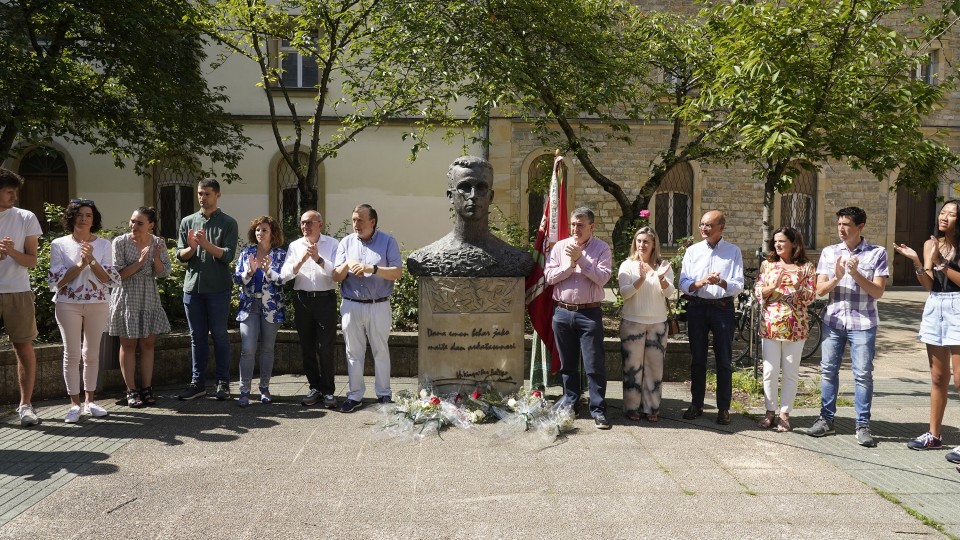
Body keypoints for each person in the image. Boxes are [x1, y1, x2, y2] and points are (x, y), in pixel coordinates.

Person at [808, 206, 888, 447]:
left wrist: (855, 275)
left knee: (863, 374)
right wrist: (838, 276)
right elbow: (819, 290)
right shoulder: (830, 252)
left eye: (847, 225)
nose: (841, 229)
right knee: (828, 370)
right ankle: (826, 419)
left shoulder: (877, 253)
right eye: (839, 224)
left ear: (860, 227)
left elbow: (878, 291)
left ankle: (862, 425)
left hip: (863, 323)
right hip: (834, 321)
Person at [894, 200, 960, 460]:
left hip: (958, 305)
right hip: (936, 305)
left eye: (951, 214)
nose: (944, 217)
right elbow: (929, 285)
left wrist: (942, 262)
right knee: (937, 378)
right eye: (942, 212)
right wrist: (917, 262)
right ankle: (934, 436)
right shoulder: (930, 244)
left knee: (959, 381)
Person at [48, 199, 120, 423]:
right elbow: (57, 281)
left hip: (97, 303)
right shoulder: (59, 244)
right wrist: (80, 264)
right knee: (72, 353)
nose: (83, 218)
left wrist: (92, 260)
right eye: (79, 214)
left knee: (91, 353)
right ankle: (74, 404)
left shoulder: (104, 245)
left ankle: (90, 401)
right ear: (72, 217)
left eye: (88, 215)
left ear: (93, 219)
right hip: (67, 303)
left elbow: (108, 279)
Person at [407, 155, 532, 277]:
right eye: (465, 187)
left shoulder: (516, 259)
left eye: (481, 188)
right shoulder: (426, 258)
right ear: (451, 196)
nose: (473, 195)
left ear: (491, 196)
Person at [544, 207, 613, 429]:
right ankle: (570, 403)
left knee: (594, 365)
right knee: (568, 364)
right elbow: (549, 277)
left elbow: (602, 278)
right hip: (562, 312)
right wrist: (570, 265)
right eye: (573, 224)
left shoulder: (602, 249)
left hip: (588, 313)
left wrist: (581, 260)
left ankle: (598, 410)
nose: (575, 229)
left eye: (581, 225)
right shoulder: (560, 248)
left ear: (591, 227)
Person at [333, 204, 403, 412]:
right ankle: (355, 396)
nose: (356, 224)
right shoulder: (345, 243)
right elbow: (336, 276)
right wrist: (347, 265)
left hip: (378, 305)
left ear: (372, 222)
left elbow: (397, 273)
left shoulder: (388, 241)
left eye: (360, 220)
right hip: (351, 304)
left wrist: (371, 269)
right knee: (353, 352)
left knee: (381, 351)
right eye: (354, 220)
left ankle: (384, 395)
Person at [678, 210, 744, 425]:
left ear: (721, 228)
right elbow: (683, 282)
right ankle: (696, 404)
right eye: (702, 224)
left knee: (723, 359)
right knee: (697, 359)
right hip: (697, 307)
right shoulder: (693, 251)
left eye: (709, 225)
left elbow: (738, 284)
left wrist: (722, 282)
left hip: (722, 308)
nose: (704, 229)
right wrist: (701, 282)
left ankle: (723, 408)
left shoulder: (733, 251)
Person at [176, 179, 238, 401]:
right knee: (196, 337)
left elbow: (228, 255)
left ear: (218, 195)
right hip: (192, 288)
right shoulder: (188, 221)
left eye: (207, 194)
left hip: (218, 288)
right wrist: (191, 248)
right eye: (200, 193)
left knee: (220, 335)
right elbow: (180, 256)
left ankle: (223, 383)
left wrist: (205, 245)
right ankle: (197, 382)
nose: (202, 197)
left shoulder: (228, 223)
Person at [754, 227, 816, 432]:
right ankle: (769, 411)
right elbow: (758, 292)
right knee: (770, 371)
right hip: (770, 324)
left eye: (782, 241)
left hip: (795, 326)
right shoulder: (768, 265)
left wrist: (798, 286)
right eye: (775, 241)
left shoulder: (806, 267)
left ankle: (785, 414)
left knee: (790, 372)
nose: (777, 245)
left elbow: (810, 298)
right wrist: (774, 286)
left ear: (793, 243)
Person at [109, 207, 171, 407]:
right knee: (128, 345)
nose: (134, 226)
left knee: (147, 344)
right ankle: (131, 390)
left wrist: (154, 259)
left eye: (139, 223)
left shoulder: (158, 243)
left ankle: (146, 388)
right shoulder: (120, 242)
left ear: (151, 225)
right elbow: (117, 275)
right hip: (126, 295)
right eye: (132, 221)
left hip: (148, 295)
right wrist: (140, 262)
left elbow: (163, 273)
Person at [280, 210, 340, 408]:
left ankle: (329, 391)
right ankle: (314, 387)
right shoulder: (295, 246)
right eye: (302, 223)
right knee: (307, 347)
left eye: (309, 223)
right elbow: (284, 275)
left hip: (325, 300)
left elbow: (336, 273)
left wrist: (318, 259)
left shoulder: (332, 244)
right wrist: (300, 262)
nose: (305, 227)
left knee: (326, 348)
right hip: (303, 300)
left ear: (320, 224)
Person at [617, 226, 675, 422]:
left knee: (654, 368)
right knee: (632, 367)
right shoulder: (627, 265)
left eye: (646, 242)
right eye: (639, 241)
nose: (641, 245)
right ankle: (632, 407)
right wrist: (641, 279)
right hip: (632, 323)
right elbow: (625, 293)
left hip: (658, 324)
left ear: (653, 245)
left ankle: (651, 408)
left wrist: (661, 278)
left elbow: (669, 293)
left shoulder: (663, 266)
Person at [0, 168, 43, 426]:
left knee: (24, 348)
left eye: (15, 191)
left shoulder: (26, 217)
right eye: (8, 191)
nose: (13, 195)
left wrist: (13, 253)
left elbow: (33, 260)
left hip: (18, 291)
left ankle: (26, 406)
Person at [233, 216, 286, 407]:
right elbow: (236, 279)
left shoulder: (280, 254)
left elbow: (282, 280)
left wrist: (269, 271)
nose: (260, 233)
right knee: (248, 349)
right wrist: (249, 272)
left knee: (267, 349)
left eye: (264, 230)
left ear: (272, 233)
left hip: (272, 308)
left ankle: (264, 389)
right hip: (249, 307)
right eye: (257, 230)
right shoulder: (247, 252)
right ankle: (244, 391)